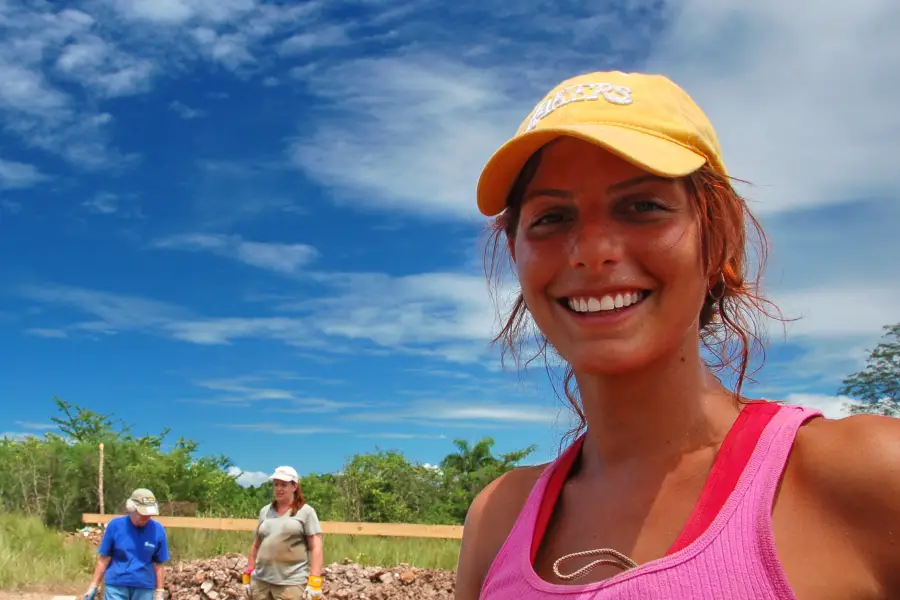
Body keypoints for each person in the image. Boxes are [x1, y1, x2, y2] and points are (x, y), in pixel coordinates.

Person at [455, 70, 900, 599]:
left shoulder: (867, 477)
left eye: (642, 206)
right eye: (551, 217)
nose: (591, 249)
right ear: (517, 256)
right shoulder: (498, 517)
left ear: (718, 240)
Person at [246, 466, 325, 600]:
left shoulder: (305, 512)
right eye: (276, 484)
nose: (278, 488)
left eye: (284, 484)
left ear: (294, 487)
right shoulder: (265, 511)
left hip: (291, 584)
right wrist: (248, 575)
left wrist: (315, 582)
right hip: (261, 582)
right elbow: (256, 545)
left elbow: (316, 547)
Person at [84, 488, 169, 600]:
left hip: (144, 588)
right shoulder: (115, 526)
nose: (146, 518)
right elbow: (104, 559)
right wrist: (94, 585)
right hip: (116, 586)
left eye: (148, 515)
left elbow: (158, 564)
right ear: (131, 509)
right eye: (142, 515)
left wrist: (159, 591)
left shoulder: (158, 530)